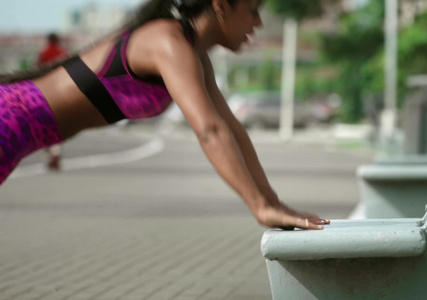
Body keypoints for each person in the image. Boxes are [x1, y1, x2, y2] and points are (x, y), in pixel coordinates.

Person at [0, 0, 330, 230]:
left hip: (17, 135)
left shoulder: (192, 54)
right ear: (220, 5)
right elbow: (210, 131)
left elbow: (231, 129)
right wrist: (258, 206)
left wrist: (271, 201)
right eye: (253, 11)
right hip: (9, 120)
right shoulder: (167, 41)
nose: (257, 23)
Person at [37, 33, 68, 170]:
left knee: (45, 123)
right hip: (60, 90)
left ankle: (50, 151)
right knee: (59, 123)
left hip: (45, 91)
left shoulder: (44, 53)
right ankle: (55, 152)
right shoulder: (63, 52)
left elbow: (37, 70)